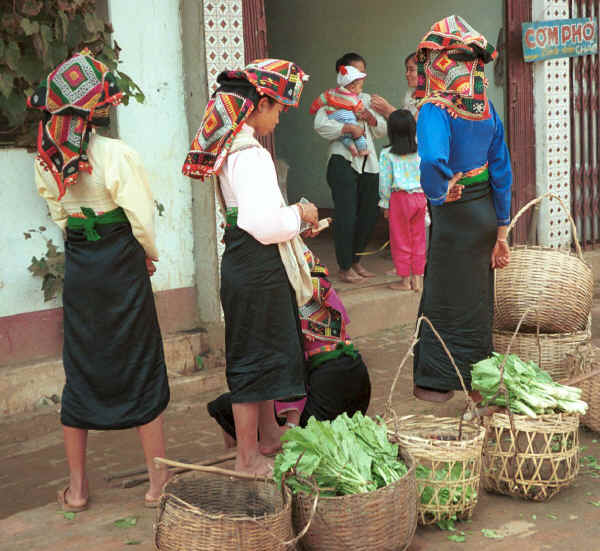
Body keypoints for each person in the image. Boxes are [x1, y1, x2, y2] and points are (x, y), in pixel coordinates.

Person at [29, 49, 170, 511]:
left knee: (83, 366)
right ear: (97, 107)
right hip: (122, 265)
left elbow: (58, 215)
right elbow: (140, 220)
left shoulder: (45, 158)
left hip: (83, 267)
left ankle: (78, 490)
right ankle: (156, 486)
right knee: (139, 361)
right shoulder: (117, 154)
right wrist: (146, 255)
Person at [182, 59, 319, 476]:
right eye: (277, 109)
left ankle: (270, 437)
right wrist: (301, 213)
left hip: (245, 263)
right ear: (259, 104)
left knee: (260, 355)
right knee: (252, 359)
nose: (278, 118)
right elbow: (263, 224)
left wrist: (291, 220)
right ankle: (246, 457)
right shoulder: (251, 155)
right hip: (257, 265)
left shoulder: (231, 151)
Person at [408, 15, 512, 403]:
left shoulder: (435, 109)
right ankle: (478, 387)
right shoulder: (487, 111)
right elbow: (502, 170)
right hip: (484, 215)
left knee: (443, 298)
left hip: (454, 217)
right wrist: (501, 233)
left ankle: (437, 382)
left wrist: (439, 188)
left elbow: (433, 158)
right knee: (476, 302)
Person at [207, 251, 371, 446]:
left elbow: (286, 366)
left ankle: (239, 444)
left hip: (328, 388)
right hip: (357, 379)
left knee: (236, 404)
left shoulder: (278, 296)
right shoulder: (310, 272)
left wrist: (292, 424)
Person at [313, 52, 388, 284]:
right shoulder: (331, 98)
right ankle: (345, 266)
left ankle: (356, 261)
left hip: (369, 165)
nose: (359, 81)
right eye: (353, 74)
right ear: (342, 74)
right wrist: (347, 128)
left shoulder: (366, 99)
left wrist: (371, 118)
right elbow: (320, 126)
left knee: (368, 213)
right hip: (342, 161)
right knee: (346, 215)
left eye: (361, 74)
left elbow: (382, 129)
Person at [378, 109, 426, 292]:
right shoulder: (420, 149)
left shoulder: (387, 154)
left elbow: (384, 182)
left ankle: (405, 281)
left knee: (401, 240)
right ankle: (418, 280)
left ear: (391, 131)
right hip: (419, 198)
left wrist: (384, 203)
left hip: (399, 199)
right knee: (418, 239)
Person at [309, 64, 369, 157]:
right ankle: (362, 149)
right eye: (360, 87)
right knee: (358, 132)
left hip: (332, 116)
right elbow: (360, 110)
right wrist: (361, 116)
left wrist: (313, 109)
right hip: (345, 116)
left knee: (343, 135)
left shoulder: (330, 92)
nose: (361, 90)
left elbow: (319, 100)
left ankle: (351, 146)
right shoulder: (353, 98)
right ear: (352, 88)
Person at [371, 52, 418, 120]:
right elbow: (403, 127)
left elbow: (415, 127)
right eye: (407, 70)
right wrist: (384, 111)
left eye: (411, 70)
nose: (407, 74)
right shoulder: (409, 93)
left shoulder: (431, 99)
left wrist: (389, 110)